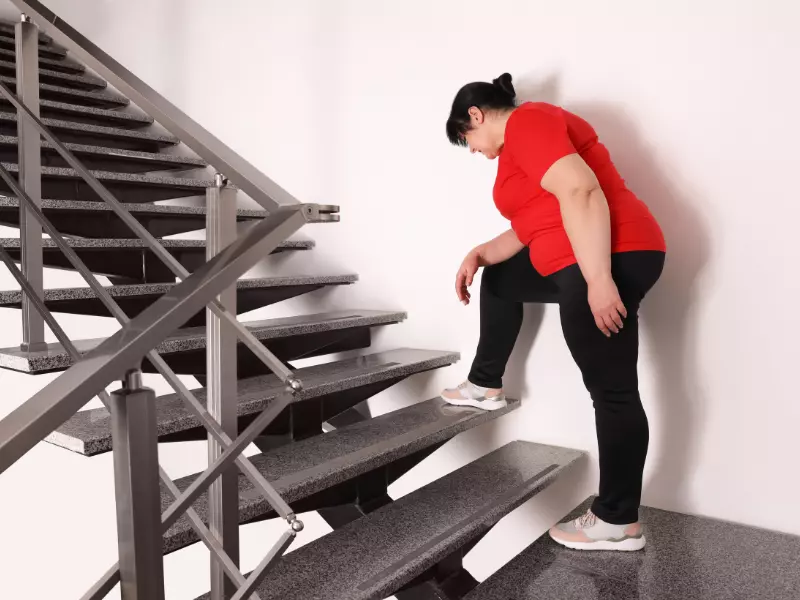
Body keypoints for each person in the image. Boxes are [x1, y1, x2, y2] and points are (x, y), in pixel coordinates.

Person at [442, 73, 666, 551]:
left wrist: (599, 279)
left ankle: (618, 520)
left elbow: (581, 191)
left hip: (608, 255)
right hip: (580, 260)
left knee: (612, 392)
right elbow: (531, 226)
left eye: (467, 139)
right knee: (502, 279)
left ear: (476, 115)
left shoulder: (528, 122)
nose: (474, 150)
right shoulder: (518, 150)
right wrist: (479, 253)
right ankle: (484, 384)